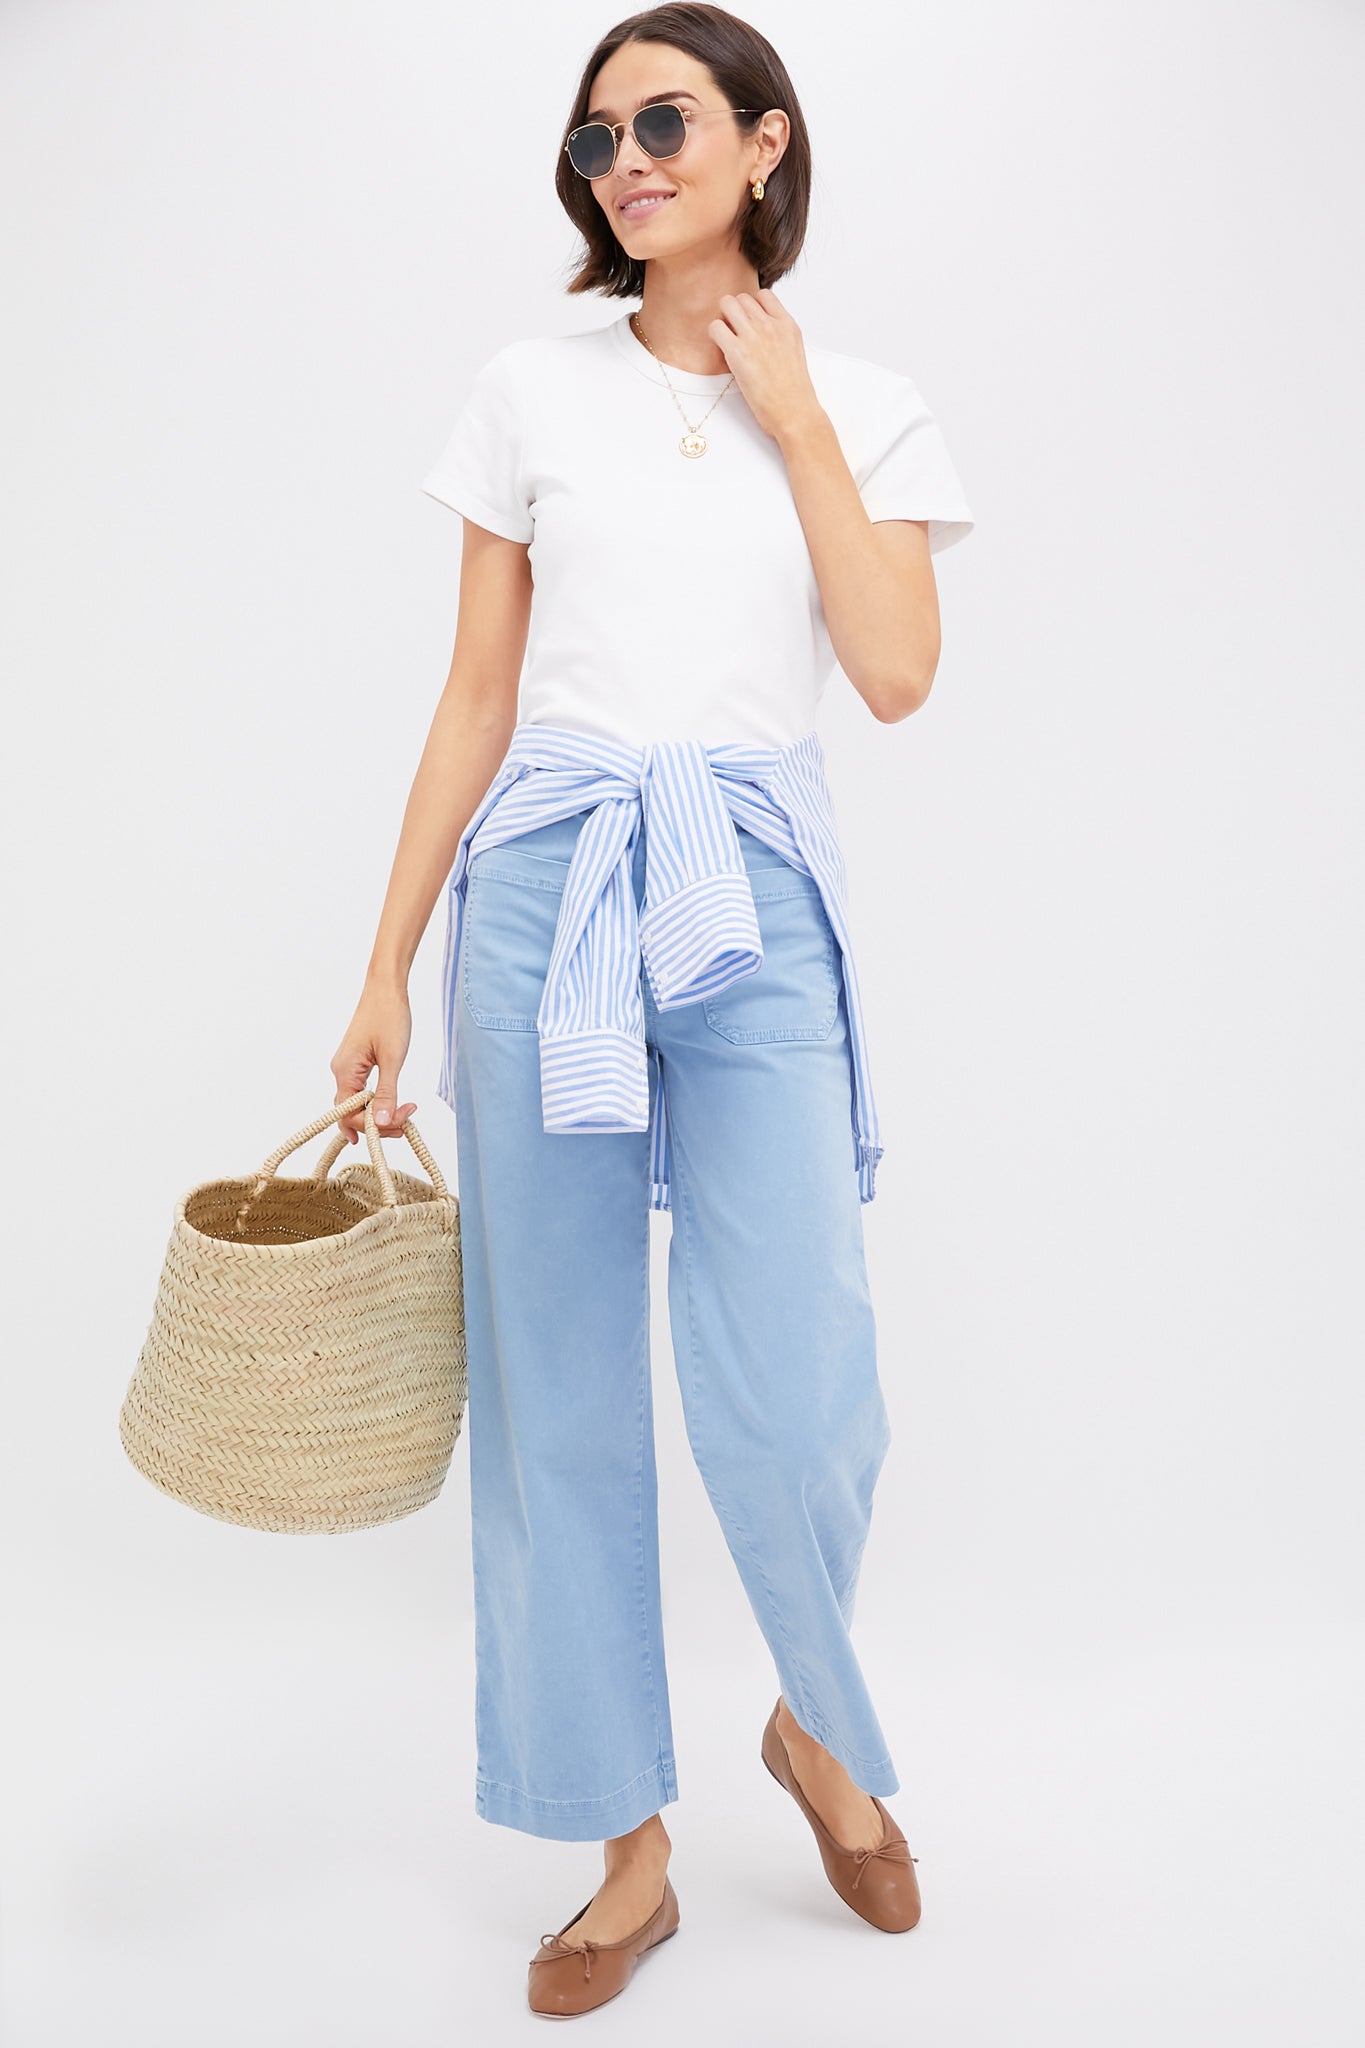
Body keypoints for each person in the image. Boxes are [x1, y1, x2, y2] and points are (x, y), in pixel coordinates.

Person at [331, 3, 974, 2019]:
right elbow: (476, 694)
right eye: (597, 134)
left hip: (748, 894)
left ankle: (815, 1726)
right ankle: (623, 1846)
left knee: (801, 1380)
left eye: (666, 121)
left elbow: (895, 675)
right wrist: (383, 962)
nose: (625, 160)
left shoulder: (862, 403)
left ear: (763, 144)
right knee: (558, 1386)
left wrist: (792, 420)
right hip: (546, 885)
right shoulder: (530, 387)